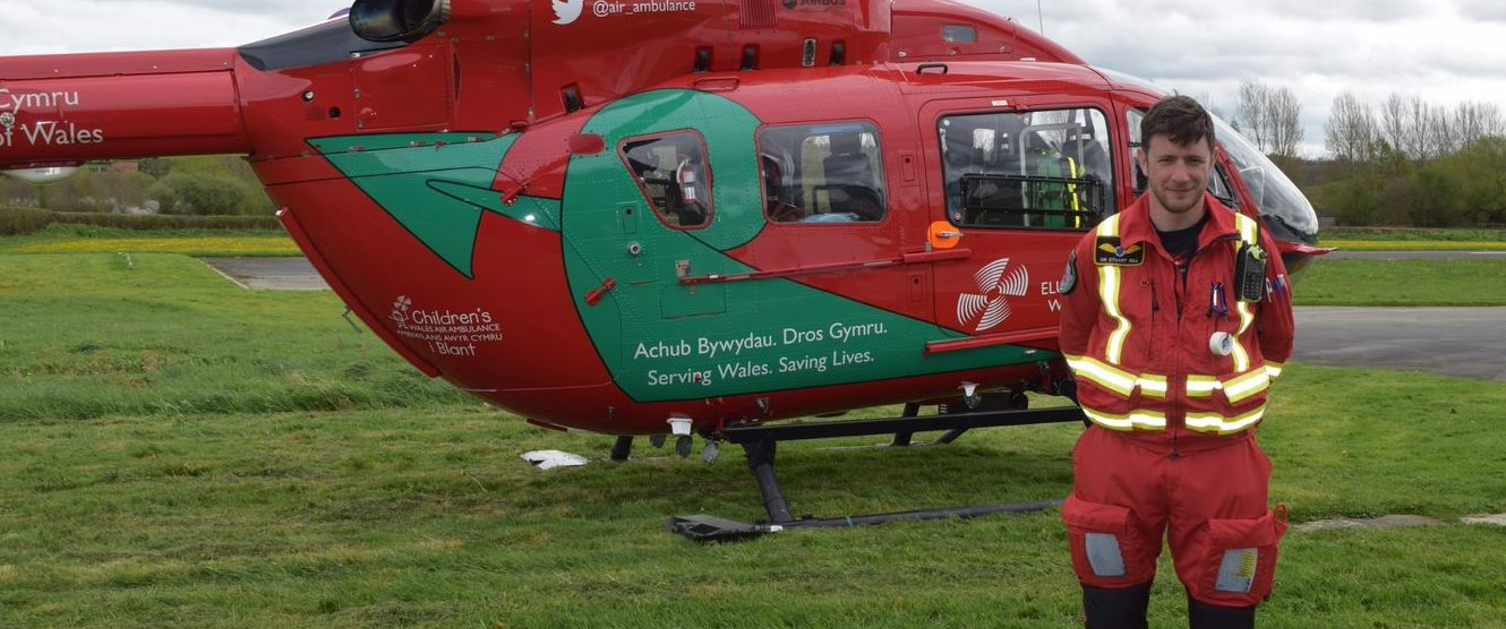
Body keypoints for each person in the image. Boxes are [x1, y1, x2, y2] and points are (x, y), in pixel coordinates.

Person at [1055, 95, 1295, 629]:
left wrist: (1233, 408)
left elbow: (1276, 343)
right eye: (1167, 159)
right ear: (1143, 160)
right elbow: (1073, 338)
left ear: (1212, 161)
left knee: (1226, 614)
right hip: (1118, 462)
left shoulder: (1252, 246)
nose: (1181, 175)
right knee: (1112, 614)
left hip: (1224, 465)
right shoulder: (1099, 246)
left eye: (1194, 160)